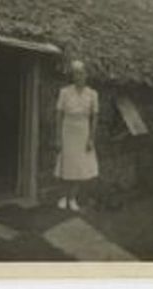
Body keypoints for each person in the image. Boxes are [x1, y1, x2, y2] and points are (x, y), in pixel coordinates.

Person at [54, 60, 99, 211]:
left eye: (81, 73)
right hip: (68, 130)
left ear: (86, 75)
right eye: (75, 74)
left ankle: (72, 198)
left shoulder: (92, 94)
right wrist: (58, 137)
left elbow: (94, 118)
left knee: (79, 167)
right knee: (66, 165)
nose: (78, 76)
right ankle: (62, 197)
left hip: (83, 132)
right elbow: (59, 115)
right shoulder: (64, 92)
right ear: (72, 76)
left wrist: (91, 138)